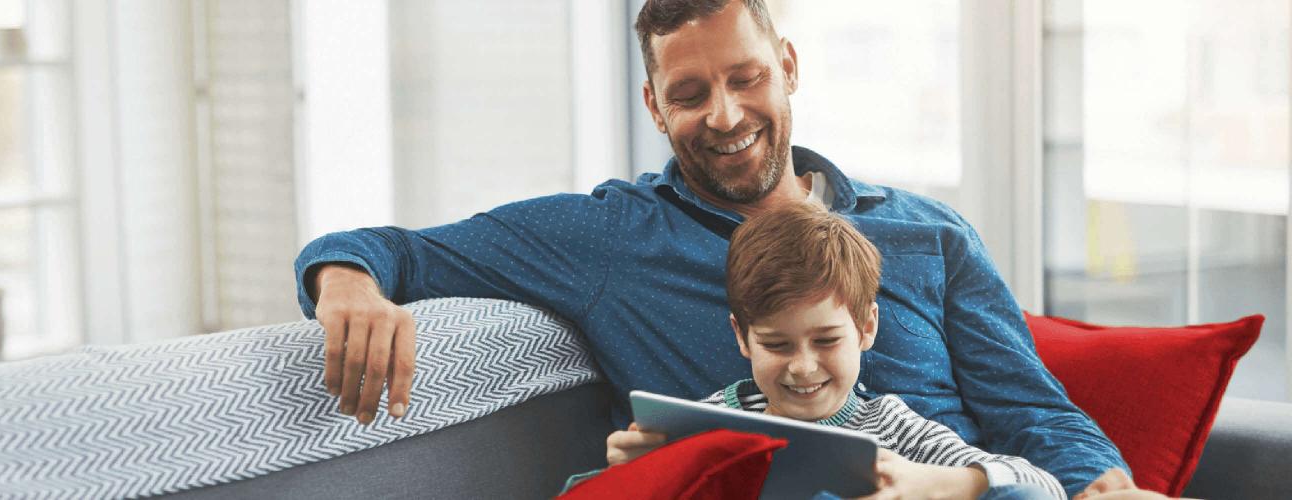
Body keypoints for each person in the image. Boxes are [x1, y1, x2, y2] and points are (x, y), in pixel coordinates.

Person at [293, 0, 1128, 493]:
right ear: (656, 109)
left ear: (788, 66)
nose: (725, 116)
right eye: (690, 94)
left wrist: (1104, 488)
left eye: (746, 78)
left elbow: (1033, 413)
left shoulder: (928, 235)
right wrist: (348, 285)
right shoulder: (607, 240)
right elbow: (380, 248)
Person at [588, 202, 1066, 499]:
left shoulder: (893, 430)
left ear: (866, 328)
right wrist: (632, 477)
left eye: (826, 340)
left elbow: (1045, 489)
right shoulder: (707, 422)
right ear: (742, 337)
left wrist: (948, 485)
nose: (802, 366)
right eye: (776, 344)